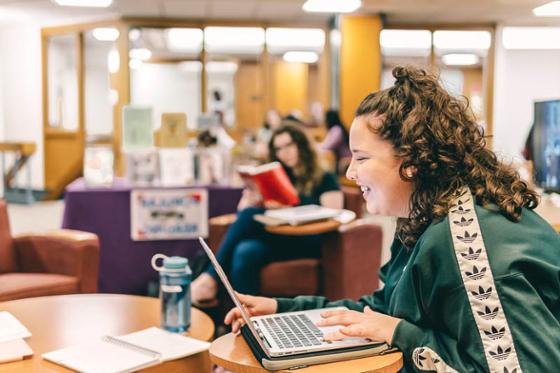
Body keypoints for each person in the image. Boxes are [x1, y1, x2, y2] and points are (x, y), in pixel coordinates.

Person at [224, 66, 560, 372]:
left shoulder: (471, 247)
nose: (350, 172)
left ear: (412, 160)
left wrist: (400, 333)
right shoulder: (426, 214)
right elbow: (383, 309)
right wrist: (283, 309)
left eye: (361, 158)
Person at [191, 122, 343, 307]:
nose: (283, 152)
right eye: (278, 149)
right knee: (244, 252)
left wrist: (288, 208)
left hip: (309, 240)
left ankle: (210, 278)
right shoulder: (278, 177)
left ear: (301, 145)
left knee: (248, 216)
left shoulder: (324, 177)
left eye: (288, 145)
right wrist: (252, 199)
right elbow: (244, 213)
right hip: (279, 240)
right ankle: (248, 319)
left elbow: (334, 213)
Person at [318, 109, 352, 175]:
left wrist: (313, 146)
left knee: (326, 168)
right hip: (341, 159)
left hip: (347, 159)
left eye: (325, 118)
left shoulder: (337, 129)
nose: (324, 121)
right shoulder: (334, 129)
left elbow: (327, 146)